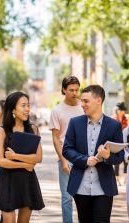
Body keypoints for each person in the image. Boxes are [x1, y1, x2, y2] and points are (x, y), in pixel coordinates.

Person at [63, 85, 124, 223]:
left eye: (86, 101)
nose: (82, 104)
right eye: (82, 101)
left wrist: (108, 156)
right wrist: (85, 160)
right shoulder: (75, 123)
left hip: (104, 187)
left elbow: (120, 157)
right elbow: (66, 149)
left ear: (98, 100)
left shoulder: (114, 125)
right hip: (80, 187)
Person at [0, 91, 45, 223]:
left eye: (28, 105)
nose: (27, 109)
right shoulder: (2, 130)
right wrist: (26, 164)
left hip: (27, 180)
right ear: (13, 110)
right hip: (8, 180)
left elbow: (38, 157)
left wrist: (15, 156)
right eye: (23, 105)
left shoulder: (33, 129)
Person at [49, 75, 84, 223]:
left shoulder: (84, 107)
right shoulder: (57, 111)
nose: (74, 93)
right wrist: (62, 160)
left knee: (84, 197)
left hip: (83, 156)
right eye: (71, 90)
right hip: (66, 158)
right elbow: (56, 138)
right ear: (64, 90)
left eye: (76, 90)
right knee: (67, 198)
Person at [111, 102, 129, 185]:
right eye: (119, 110)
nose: (121, 112)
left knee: (126, 161)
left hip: (125, 142)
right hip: (116, 142)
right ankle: (117, 178)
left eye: (122, 110)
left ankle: (125, 178)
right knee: (117, 162)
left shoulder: (127, 119)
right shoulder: (113, 119)